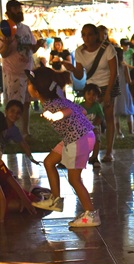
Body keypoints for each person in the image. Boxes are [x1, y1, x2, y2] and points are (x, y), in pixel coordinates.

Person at [25, 67, 100, 227]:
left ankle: (91, 214)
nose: (27, 85)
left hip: (79, 139)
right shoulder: (57, 99)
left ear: (37, 91)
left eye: (29, 83)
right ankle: (55, 201)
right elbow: (83, 110)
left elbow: (66, 111)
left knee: (74, 179)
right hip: (76, 136)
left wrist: (56, 115)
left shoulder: (51, 106)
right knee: (49, 162)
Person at [63, 24, 118, 163]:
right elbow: (80, 74)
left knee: (108, 117)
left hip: (108, 84)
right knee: (89, 118)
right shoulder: (79, 51)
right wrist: (72, 69)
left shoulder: (108, 49)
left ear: (96, 35)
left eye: (90, 34)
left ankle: (109, 151)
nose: (86, 38)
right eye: (84, 34)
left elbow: (114, 72)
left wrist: (108, 93)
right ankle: (92, 150)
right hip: (92, 87)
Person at [0, 0, 45, 137]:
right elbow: (3, 53)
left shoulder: (26, 28)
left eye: (19, 8)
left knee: (26, 104)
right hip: (14, 73)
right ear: (8, 12)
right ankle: (9, 132)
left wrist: (38, 44)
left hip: (27, 72)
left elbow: (31, 49)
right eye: (15, 9)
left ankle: (25, 131)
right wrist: (7, 44)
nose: (19, 11)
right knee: (14, 105)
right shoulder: (4, 30)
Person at [0, 100, 40, 165]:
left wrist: (31, 158)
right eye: (12, 111)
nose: (15, 115)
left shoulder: (14, 130)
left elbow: (23, 144)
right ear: (6, 111)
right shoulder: (1, 119)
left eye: (18, 113)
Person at [80, 83, 104, 168]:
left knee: (97, 141)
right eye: (89, 94)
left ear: (97, 97)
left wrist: (94, 126)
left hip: (94, 127)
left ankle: (95, 157)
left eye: (94, 95)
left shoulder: (97, 106)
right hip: (83, 128)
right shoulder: (81, 106)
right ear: (84, 95)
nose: (91, 97)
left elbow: (100, 117)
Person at [115, 47, 134, 137]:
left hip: (115, 91)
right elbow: (129, 81)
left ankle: (118, 131)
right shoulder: (124, 67)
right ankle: (131, 130)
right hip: (124, 90)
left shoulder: (111, 67)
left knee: (115, 113)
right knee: (129, 110)